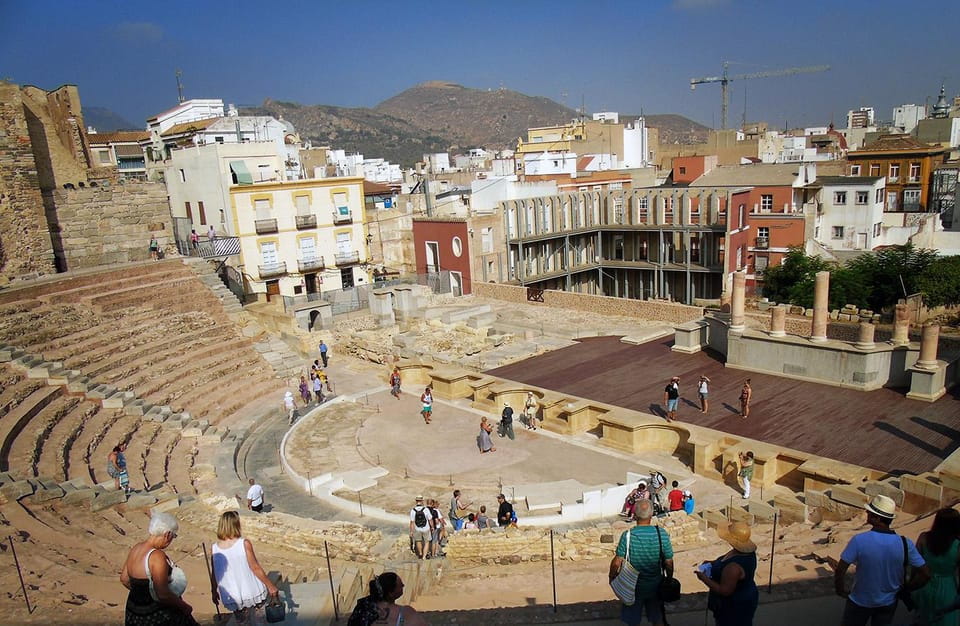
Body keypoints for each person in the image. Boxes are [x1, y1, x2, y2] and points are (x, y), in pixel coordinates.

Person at [834, 494, 930, 626]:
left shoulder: (859, 540)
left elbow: (840, 569)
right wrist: (909, 588)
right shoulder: (905, 543)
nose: (867, 513)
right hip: (888, 602)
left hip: (860, 601)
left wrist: (840, 589)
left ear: (877, 518)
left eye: (870, 512)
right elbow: (926, 573)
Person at [120, 512, 196, 625]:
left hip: (134, 610)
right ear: (167, 534)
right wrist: (184, 606)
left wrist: (140, 593)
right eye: (173, 536)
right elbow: (162, 594)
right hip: (154, 614)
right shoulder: (156, 556)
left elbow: (124, 579)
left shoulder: (136, 548)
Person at [608, 499, 674, 626]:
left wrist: (611, 576)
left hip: (633, 587)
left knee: (632, 621)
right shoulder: (661, 534)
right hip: (655, 586)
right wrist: (669, 579)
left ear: (635, 515)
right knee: (657, 618)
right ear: (651, 514)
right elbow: (669, 562)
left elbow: (617, 561)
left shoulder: (627, 535)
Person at [211, 511, 279, 623]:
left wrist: (214, 591)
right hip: (252, 591)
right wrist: (271, 586)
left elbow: (214, 573)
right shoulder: (244, 544)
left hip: (233, 596)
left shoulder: (214, 548)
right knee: (260, 622)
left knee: (242, 623)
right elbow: (255, 567)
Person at [696, 520, 760, 626]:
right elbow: (723, 561)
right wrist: (712, 563)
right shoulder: (744, 552)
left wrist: (704, 578)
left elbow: (724, 591)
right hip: (747, 594)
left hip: (734, 604)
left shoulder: (733, 567)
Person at [912, 507, 960, 626]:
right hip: (948, 588)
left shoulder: (924, 538)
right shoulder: (958, 545)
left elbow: (915, 564)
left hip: (925, 584)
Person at [346, 571, 428, 626]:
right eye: (401, 585)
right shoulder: (406, 613)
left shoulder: (363, 608)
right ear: (390, 593)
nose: (403, 586)